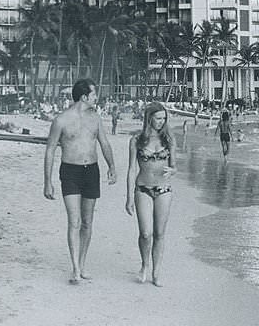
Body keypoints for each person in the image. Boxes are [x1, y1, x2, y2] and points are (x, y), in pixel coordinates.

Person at [43, 79, 116, 284]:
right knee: (74, 221)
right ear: (84, 97)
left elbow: (105, 144)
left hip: (91, 171)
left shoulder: (96, 119)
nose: (96, 98)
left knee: (87, 222)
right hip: (70, 172)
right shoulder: (61, 120)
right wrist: (47, 181)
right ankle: (75, 268)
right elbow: (49, 150)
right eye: (94, 94)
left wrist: (112, 166)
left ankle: (82, 265)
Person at [125, 103, 177, 287]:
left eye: (164, 118)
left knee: (160, 233)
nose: (161, 122)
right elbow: (132, 169)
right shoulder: (136, 140)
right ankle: (145, 264)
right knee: (146, 233)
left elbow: (174, 166)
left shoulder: (169, 140)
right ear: (149, 119)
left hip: (164, 190)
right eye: (158, 118)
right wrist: (129, 197)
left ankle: (156, 271)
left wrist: (173, 171)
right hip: (143, 188)